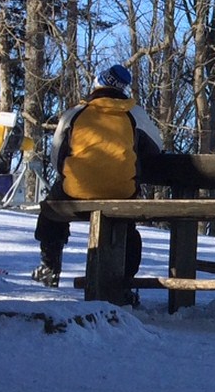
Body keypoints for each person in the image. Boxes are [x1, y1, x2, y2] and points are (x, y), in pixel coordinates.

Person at [32, 63, 163, 288]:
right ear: (123, 89)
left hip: (76, 191)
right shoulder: (135, 115)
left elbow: (56, 156)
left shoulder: (75, 113)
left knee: (51, 210)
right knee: (127, 228)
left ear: (97, 83)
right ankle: (124, 281)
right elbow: (156, 150)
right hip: (121, 192)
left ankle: (50, 266)